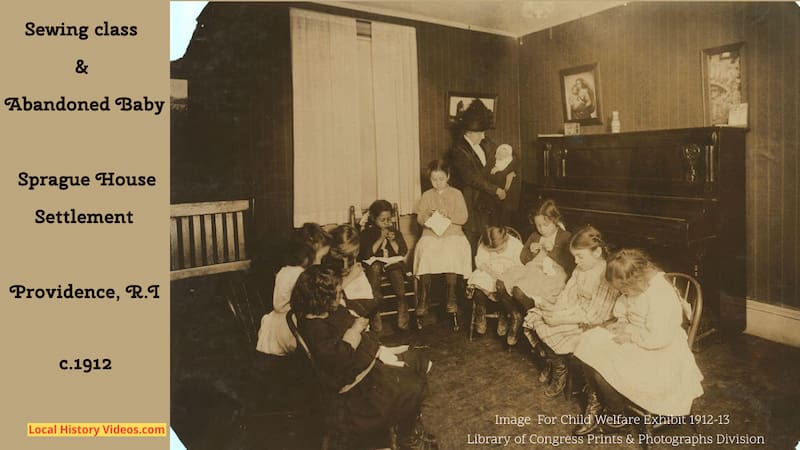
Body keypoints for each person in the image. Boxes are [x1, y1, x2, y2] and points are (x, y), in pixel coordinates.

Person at [291, 265, 436, 450]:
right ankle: (406, 435)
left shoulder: (327, 312)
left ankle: (407, 425)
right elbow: (337, 358)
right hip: (358, 384)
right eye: (336, 294)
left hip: (366, 360)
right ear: (322, 298)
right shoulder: (314, 328)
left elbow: (348, 318)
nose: (339, 297)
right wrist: (355, 330)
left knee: (417, 359)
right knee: (412, 387)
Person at [571, 249, 704, 435]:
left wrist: (631, 336)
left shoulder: (661, 295)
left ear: (635, 280)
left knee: (604, 367)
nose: (622, 293)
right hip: (637, 334)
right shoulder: (636, 286)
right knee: (588, 340)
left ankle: (615, 416)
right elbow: (626, 306)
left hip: (660, 350)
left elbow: (659, 337)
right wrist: (623, 322)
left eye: (623, 289)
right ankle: (598, 402)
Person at [522, 225, 620, 397]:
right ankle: (554, 362)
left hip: (594, 323)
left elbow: (595, 315)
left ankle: (559, 370)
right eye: (575, 257)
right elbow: (567, 294)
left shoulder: (606, 275)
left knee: (550, 327)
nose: (575, 261)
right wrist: (555, 309)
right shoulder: (581, 268)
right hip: (575, 311)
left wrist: (558, 319)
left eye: (580, 256)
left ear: (597, 253)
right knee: (535, 317)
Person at [496, 200, 574, 346]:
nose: (542, 229)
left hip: (553, 274)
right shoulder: (534, 235)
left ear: (555, 221)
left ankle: (535, 324)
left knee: (518, 291)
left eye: (546, 225)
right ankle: (515, 314)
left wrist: (553, 251)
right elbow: (523, 259)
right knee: (501, 283)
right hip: (532, 269)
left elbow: (571, 264)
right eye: (538, 225)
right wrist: (531, 252)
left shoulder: (565, 236)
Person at [413, 160, 473, 330]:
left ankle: (451, 297)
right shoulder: (426, 195)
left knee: (451, 253)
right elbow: (419, 218)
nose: (438, 182)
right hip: (431, 234)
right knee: (426, 253)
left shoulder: (456, 194)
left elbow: (463, 218)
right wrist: (430, 217)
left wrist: (449, 215)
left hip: (453, 233)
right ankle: (423, 299)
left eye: (441, 178)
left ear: (448, 176)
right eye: (434, 179)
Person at [449, 99, 507, 254]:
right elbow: (471, 178)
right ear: (470, 132)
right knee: (472, 239)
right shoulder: (459, 150)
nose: (483, 136)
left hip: (486, 203)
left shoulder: (483, 145)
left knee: (488, 238)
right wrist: (495, 190)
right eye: (481, 133)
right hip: (470, 201)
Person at [255, 233, 315, 356]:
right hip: (288, 324)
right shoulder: (300, 273)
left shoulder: (283, 270)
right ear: (306, 259)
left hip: (275, 320)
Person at [359, 200, 410, 331]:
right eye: (383, 220)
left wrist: (393, 242)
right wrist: (381, 238)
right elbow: (366, 254)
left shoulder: (394, 232)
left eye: (389, 219)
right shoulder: (367, 232)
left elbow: (402, 251)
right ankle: (375, 317)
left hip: (391, 264)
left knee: (396, 272)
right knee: (375, 269)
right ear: (373, 218)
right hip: (374, 266)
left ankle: (402, 310)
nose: (387, 223)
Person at [467, 226, 524, 337]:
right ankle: (480, 312)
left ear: (506, 239)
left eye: (500, 249)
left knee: (505, 287)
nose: (497, 252)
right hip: (490, 270)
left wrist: (507, 273)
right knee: (478, 278)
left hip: (509, 272)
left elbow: (520, 264)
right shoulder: (485, 243)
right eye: (493, 251)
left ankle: (504, 314)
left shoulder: (515, 244)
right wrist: (491, 272)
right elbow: (481, 262)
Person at [322, 224, 381, 331]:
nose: (347, 261)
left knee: (374, 301)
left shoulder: (351, 259)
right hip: (335, 310)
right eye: (344, 256)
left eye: (351, 256)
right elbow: (327, 295)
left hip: (353, 300)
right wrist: (350, 277)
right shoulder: (327, 265)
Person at [488, 144, 521, 226]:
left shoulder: (509, 166)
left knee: (505, 219)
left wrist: (504, 191)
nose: (501, 156)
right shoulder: (494, 164)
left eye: (503, 154)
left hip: (507, 196)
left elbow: (508, 182)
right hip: (496, 195)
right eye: (499, 153)